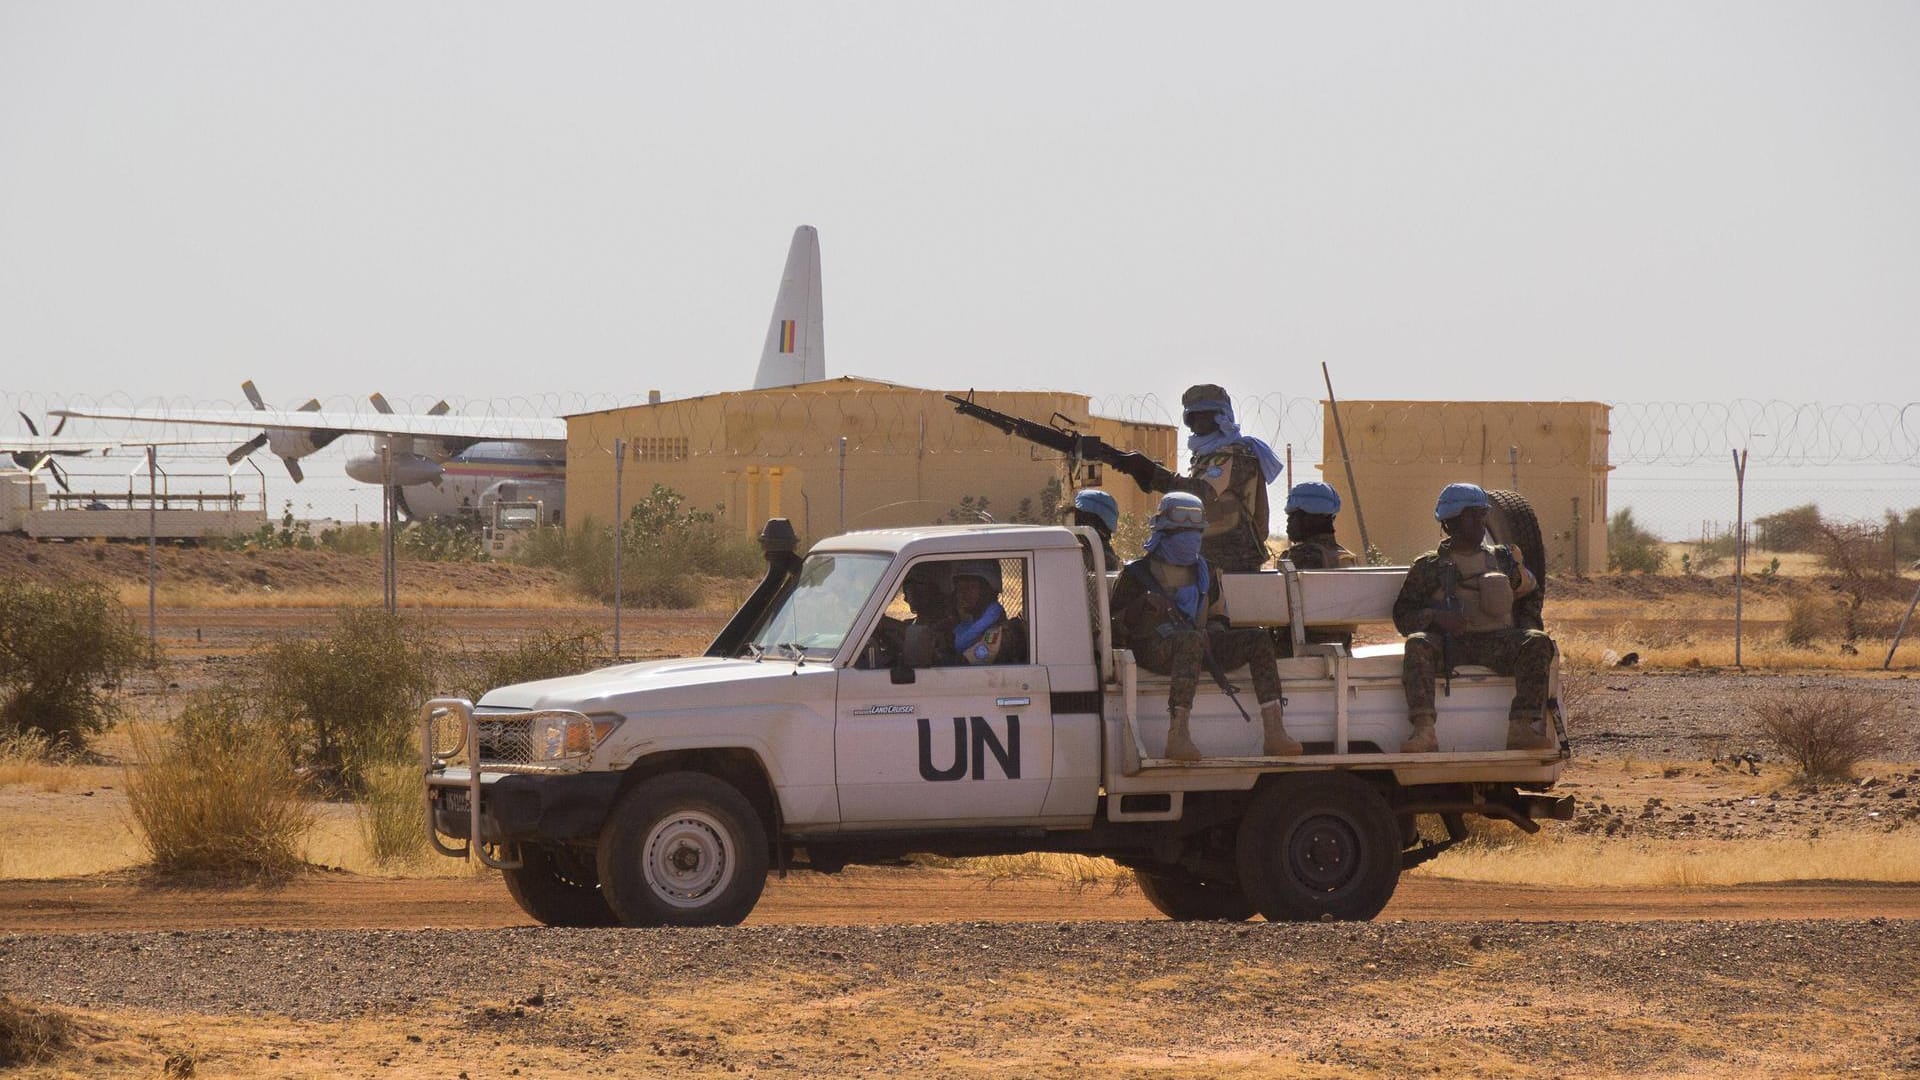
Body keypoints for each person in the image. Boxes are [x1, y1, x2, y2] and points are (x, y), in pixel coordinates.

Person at [1110, 492, 1300, 761]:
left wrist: (1212, 634)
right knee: (1188, 641)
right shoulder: (1137, 574)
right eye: (1181, 532)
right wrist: (1141, 607)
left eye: (1194, 532)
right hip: (1155, 651)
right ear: (1164, 531)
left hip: (1201, 645)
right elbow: (1114, 628)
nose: (1188, 539)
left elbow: (1219, 616)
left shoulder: (1206, 572)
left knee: (1257, 640)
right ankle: (1178, 735)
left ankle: (1274, 731)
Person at [1392, 483, 1557, 753]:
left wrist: (1524, 621)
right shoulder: (1429, 567)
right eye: (1473, 515)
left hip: (1497, 643)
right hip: (1450, 645)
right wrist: (1435, 617)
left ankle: (1521, 727)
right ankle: (1423, 730)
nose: (1481, 523)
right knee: (1417, 644)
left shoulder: (1503, 559)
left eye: (1483, 515)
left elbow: (1530, 594)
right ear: (1451, 522)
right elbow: (1403, 616)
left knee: (1537, 641)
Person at [943, 559, 1028, 666]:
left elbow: (960, 666)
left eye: (970, 587)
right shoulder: (967, 624)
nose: (962, 593)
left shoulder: (1000, 633)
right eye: (960, 587)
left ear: (987, 590)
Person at [1278, 481, 1357, 569]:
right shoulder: (1346, 556)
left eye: (1295, 515)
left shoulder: (1303, 556)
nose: (1289, 520)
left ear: (1314, 518)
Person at [1070, 488, 1122, 569]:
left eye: (1082, 517)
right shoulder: (1064, 545)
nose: (1077, 522)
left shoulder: (1106, 559)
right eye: (1077, 516)